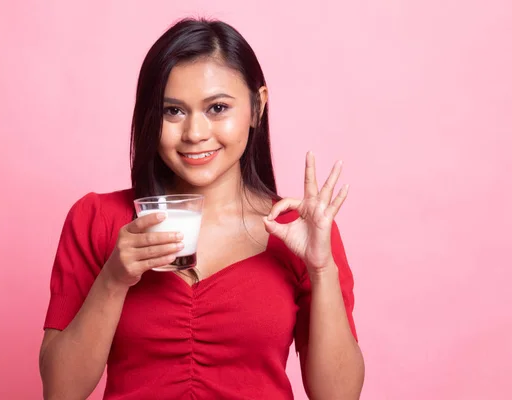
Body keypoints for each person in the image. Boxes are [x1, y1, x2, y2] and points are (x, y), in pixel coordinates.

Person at [39, 17, 365, 400]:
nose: (195, 133)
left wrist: (321, 269)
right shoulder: (96, 219)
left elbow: (339, 396)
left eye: (218, 108)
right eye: (172, 111)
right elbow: (60, 392)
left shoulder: (300, 231)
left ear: (257, 107)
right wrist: (113, 279)